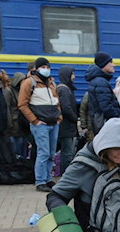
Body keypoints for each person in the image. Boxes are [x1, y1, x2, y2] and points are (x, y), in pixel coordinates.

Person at [18, 56, 62, 192]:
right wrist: (35, 121)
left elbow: (56, 101)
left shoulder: (51, 83)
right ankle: (40, 181)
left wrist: (59, 116)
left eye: (48, 67)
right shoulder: (28, 83)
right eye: (43, 67)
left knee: (51, 153)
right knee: (43, 153)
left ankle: (48, 179)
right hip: (41, 124)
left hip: (53, 123)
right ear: (36, 68)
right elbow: (22, 104)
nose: (46, 70)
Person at [86, 52, 120, 135]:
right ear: (104, 64)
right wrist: (118, 119)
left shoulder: (96, 80)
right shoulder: (101, 82)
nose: (114, 65)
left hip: (99, 121)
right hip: (106, 123)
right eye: (111, 62)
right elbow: (106, 106)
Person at [56, 65, 79, 174]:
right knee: (67, 152)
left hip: (66, 126)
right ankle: (66, 174)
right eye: (72, 74)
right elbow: (66, 108)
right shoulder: (64, 90)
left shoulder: (63, 89)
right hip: (66, 127)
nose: (74, 77)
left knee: (67, 152)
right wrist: (76, 119)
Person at [7, 72, 30, 160]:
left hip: (22, 124)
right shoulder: (9, 91)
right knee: (16, 145)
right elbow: (7, 108)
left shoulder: (21, 91)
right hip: (14, 123)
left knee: (23, 144)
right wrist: (9, 123)